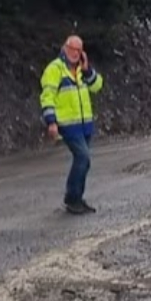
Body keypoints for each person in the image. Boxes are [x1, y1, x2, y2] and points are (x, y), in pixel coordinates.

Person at [39, 35, 104, 214]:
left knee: (83, 161)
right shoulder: (55, 69)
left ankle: (77, 198)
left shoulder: (82, 70)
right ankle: (72, 199)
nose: (75, 53)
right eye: (72, 49)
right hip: (68, 125)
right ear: (64, 48)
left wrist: (87, 70)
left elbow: (97, 86)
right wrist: (51, 122)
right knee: (83, 158)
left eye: (78, 50)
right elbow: (47, 96)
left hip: (84, 125)